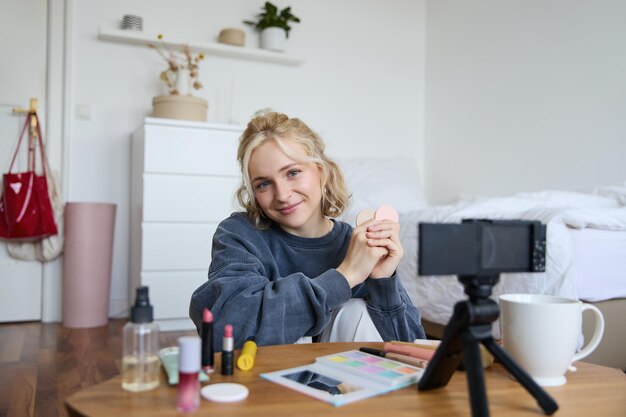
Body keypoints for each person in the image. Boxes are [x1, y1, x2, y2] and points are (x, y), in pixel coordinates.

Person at [189, 112, 425, 350]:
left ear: (322, 171)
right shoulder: (240, 234)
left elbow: (414, 351)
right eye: (264, 184)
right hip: (274, 380)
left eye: (293, 172)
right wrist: (346, 276)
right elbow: (225, 330)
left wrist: (383, 282)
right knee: (286, 327)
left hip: (349, 382)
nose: (282, 195)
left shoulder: (357, 246)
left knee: (356, 311)